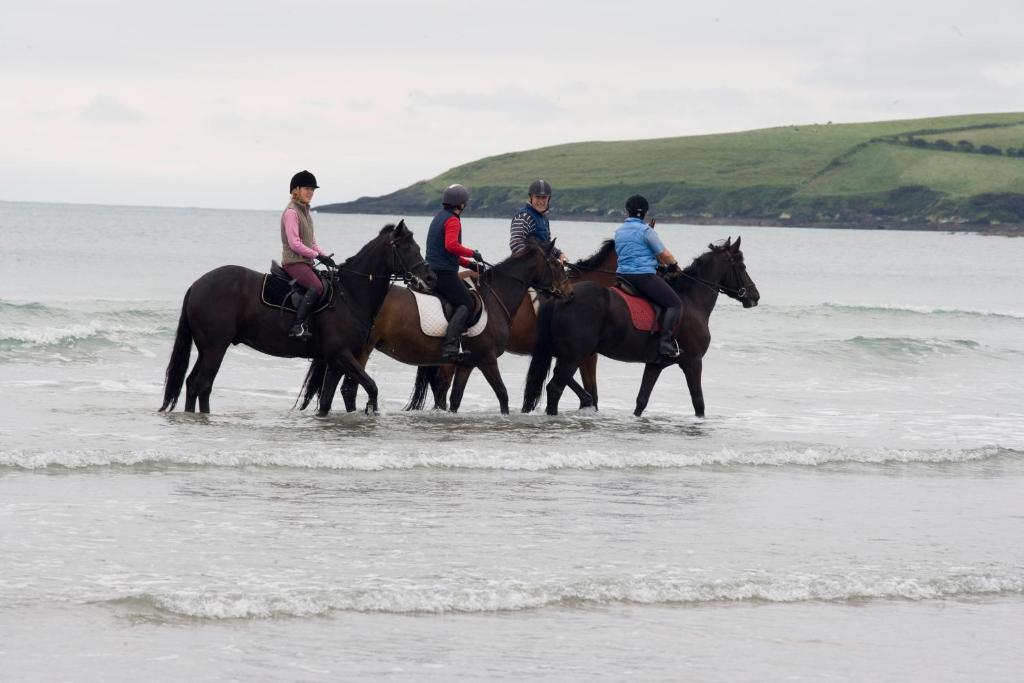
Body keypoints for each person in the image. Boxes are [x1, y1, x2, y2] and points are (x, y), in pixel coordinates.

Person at [613, 194, 683, 360]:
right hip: (642, 276)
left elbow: (627, 253)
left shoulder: (619, 232)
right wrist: (674, 266)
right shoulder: (646, 231)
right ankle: (665, 342)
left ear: (627, 212)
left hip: (622, 276)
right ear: (644, 212)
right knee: (675, 303)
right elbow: (664, 254)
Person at [424, 183, 485, 361]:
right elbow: (451, 245)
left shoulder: (439, 217)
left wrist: (470, 265)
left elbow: (447, 252)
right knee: (467, 303)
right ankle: (450, 346)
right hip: (444, 274)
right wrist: (472, 253)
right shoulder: (452, 220)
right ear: (462, 204)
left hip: (433, 269)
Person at [280, 170, 336, 339]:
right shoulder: (291, 213)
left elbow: (312, 243)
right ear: (295, 190)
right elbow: (294, 244)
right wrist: (316, 256)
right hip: (293, 262)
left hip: (305, 262)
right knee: (317, 287)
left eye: (312, 190)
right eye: (307, 189)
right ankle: (297, 326)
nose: (310, 193)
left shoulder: (306, 212)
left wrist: (326, 258)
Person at [509, 179, 566, 262]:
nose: (541, 201)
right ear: (531, 197)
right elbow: (515, 243)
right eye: (537, 197)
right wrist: (534, 259)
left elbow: (546, 245)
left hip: (540, 266)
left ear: (548, 199)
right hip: (523, 267)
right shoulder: (524, 217)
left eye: (544, 197)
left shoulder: (544, 219)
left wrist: (559, 254)